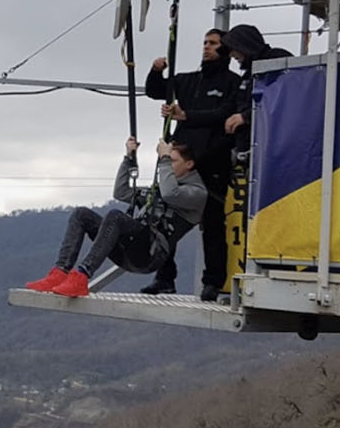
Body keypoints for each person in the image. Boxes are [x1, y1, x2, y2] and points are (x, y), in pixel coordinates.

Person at [26, 138, 208, 300]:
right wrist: (128, 159)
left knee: (115, 217)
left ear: (189, 164)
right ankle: (60, 272)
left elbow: (170, 194)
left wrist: (164, 159)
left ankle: (82, 275)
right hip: (131, 248)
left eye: (174, 161)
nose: (168, 165)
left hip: (150, 254)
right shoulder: (161, 189)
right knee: (81, 214)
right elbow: (121, 192)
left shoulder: (197, 193)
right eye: (168, 161)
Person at [143, 29, 239, 299]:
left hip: (213, 162)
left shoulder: (233, 83)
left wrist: (186, 115)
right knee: (165, 216)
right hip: (182, 161)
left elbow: (223, 115)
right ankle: (164, 276)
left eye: (213, 44)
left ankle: (213, 281)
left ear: (225, 49)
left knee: (212, 223)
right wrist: (156, 70)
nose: (207, 48)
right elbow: (154, 90)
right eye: (205, 43)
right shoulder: (189, 80)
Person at [219, 24, 294, 158]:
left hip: (273, 149)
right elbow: (229, 106)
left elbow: (282, 99)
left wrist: (245, 117)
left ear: (244, 44)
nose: (231, 54)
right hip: (249, 151)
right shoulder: (247, 75)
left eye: (233, 48)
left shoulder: (277, 58)